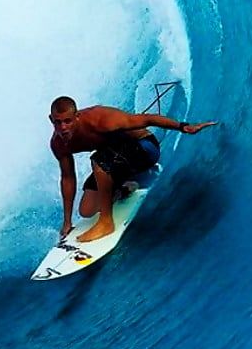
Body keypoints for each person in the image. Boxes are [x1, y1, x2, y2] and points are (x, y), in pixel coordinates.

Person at [49, 95, 218, 243]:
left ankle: (106, 223)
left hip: (145, 149)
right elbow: (68, 178)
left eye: (67, 121)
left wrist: (183, 127)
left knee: (99, 162)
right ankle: (126, 187)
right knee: (87, 210)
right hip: (117, 160)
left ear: (77, 116)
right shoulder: (58, 144)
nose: (63, 127)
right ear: (51, 120)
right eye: (58, 122)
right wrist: (67, 223)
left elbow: (147, 119)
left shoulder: (100, 119)